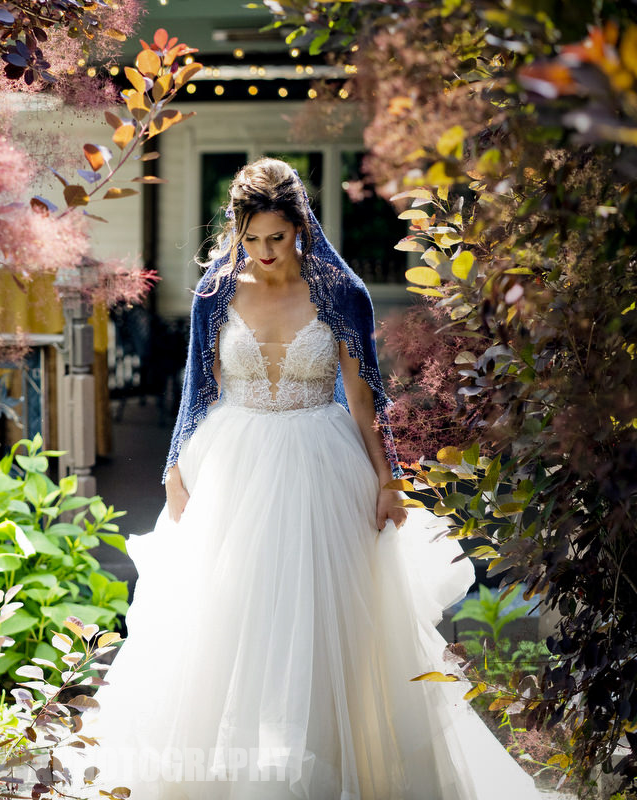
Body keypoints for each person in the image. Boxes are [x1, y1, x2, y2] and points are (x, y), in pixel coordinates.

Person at [51, 158, 544, 799]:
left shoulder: (342, 294)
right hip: (235, 465)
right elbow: (197, 391)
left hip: (323, 462)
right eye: (251, 240)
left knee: (332, 621)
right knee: (230, 618)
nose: (263, 252)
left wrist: (389, 478)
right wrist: (175, 465)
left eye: (276, 239)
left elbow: (367, 397)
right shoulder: (214, 293)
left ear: (301, 228)